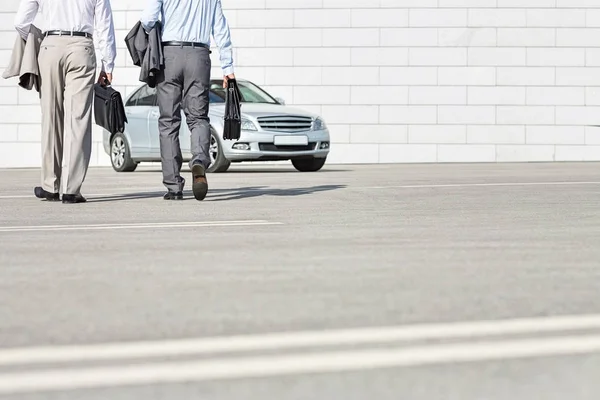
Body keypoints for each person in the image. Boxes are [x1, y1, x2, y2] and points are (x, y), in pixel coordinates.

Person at [14, 0, 117, 204]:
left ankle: (49, 186)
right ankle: (71, 189)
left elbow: (20, 22)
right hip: (81, 48)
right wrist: (108, 64)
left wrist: (39, 41)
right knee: (78, 120)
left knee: (51, 117)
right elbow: (104, 25)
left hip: (50, 46)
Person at [140, 0, 236, 201]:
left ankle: (174, 186)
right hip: (199, 55)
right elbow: (221, 29)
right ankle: (199, 159)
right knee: (198, 117)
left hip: (169, 56)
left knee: (168, 122)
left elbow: (148, 20)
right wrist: (228, 68)